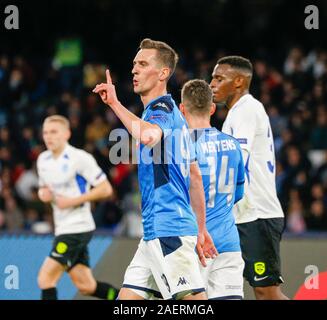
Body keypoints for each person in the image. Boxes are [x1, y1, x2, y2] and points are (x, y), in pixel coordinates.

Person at [93, 38, 217, 300]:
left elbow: (148, 136)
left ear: (163, 73)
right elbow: (194, 177)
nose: (134, 70)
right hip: (154, 232)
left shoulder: (160, 109)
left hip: (168, 228)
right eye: (134, 64)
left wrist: (115, 104)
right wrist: (202, 229)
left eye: (142, 64)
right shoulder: (177, 118)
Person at [210, 56, 289, 300]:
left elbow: (237, 160)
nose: (212, 84)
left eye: (219, 78)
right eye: (212, 77)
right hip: (241, 214)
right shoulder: (235, 113)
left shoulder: (246, 110)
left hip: (257, 214)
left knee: (267, 292)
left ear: (239, 82)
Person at [37, 115, 118, 300]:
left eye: (54, 132)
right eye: (45, 132)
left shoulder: (80, 158)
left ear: (67, 134)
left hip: (77, 227)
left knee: (45, 279)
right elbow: (43, 190)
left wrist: (72, 201)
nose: (48, 136)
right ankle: (125, 298)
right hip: (62, 227)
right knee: (86, 286)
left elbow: (106, 189)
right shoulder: (43, 160)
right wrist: (44, 195)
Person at [180, 79, 245, 300]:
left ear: (182, 109)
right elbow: (238, 194)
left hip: (192, 244)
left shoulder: (179, 146)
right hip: (227, 242)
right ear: (212, 108)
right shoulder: (233, 144)